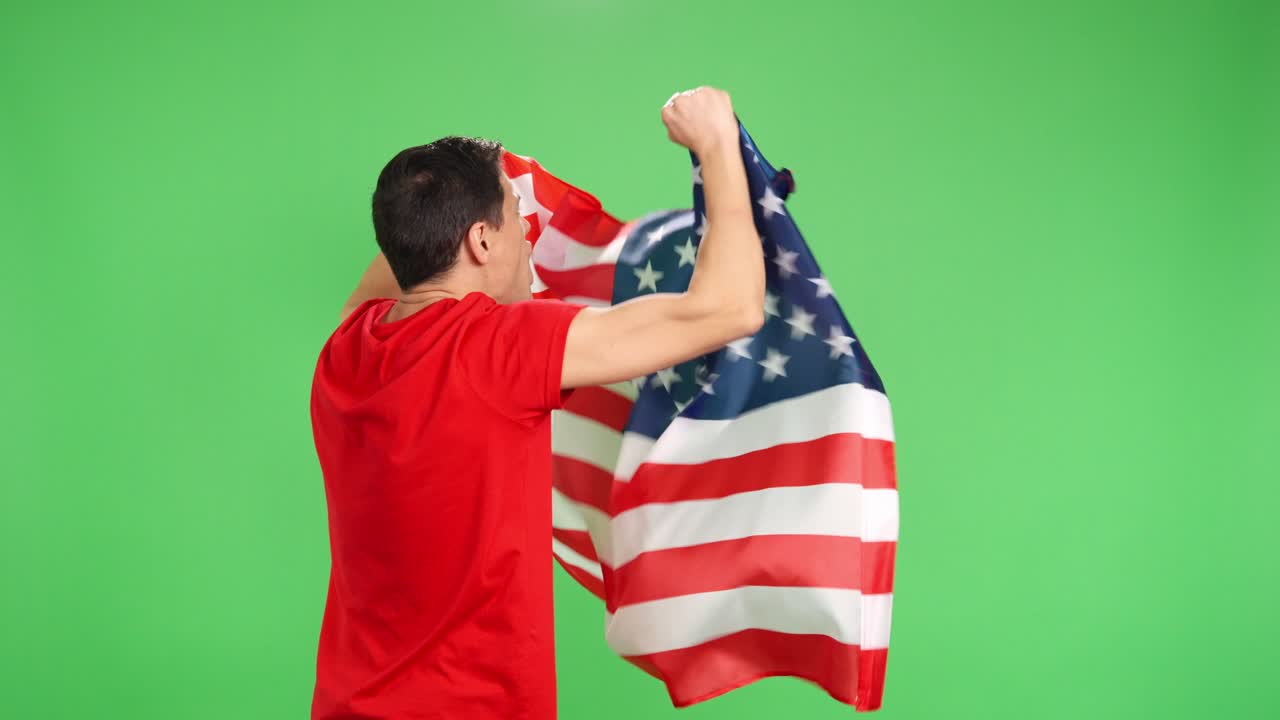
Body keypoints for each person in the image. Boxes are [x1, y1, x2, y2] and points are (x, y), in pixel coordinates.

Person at [308, 86, 765, 720]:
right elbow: (732, 307)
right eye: (514, 217)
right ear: (480, 241)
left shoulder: (344, 352)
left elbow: (399, 264)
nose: (529, 231)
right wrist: (717, 142)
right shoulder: (501, 348)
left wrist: (459, 187)